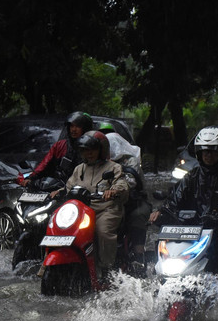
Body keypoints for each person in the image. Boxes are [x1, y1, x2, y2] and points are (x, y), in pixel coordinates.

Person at [148, 127, 218, 302]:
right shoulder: (191, 177)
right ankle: (157, 295)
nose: (209, 155)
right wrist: (161, 212)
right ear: (199, 153)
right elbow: (174, 200)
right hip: (192, 232)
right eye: (205, 151)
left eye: (213, 151)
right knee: (161, 252)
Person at [65, 131, 129, 279]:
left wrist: (113, 191)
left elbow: (122, 185)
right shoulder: (79, 169)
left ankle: (107, 270)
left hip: (106, 209)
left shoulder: (114, 168)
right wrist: (59, 192)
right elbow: (69, 186)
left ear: (102, 150)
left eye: (92, 150)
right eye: (85, 150)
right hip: (82, 211)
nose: (89, 153)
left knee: (103, 232)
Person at [98, 122, 151, 267]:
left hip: (134, 200)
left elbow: (130, 182)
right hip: (106, 201)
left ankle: (139, 255)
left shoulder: (130, 160)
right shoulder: (98, 162)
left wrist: (115, 189)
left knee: (137, 217)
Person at [20, 112, 94, 196]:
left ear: (85, 128)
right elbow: (45, 164)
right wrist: (31, 178)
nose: (73, 129)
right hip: (57, 187)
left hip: (81, 189)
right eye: (72, 126)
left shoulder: (92, 149)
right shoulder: (60, 145)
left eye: (77, 126)